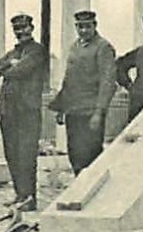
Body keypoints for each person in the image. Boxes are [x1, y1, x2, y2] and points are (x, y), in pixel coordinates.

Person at [0, 12, 49, 211]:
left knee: (26, 154)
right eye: (17, 29)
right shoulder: (14, 52)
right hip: (9, 110)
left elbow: (21, 71)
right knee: (12, 153)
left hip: (27, 110)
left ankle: (29, 197)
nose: (20, 32)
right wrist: (10, 64)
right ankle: (19, 194)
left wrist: (9, 67)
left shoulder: (38, 50)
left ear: (31, 28)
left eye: (24, 28)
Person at [50, 9, 117, 174]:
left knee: (91, 154)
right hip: (73, 110)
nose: (83, 31)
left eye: (87, 26)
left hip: (90, 111)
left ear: (95, 26)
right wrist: (61, 107)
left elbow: (107, 82)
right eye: (80, 27)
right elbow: (69, 79)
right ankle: (78, 188)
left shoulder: (103, 47)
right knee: (74, 152)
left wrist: (99, 113)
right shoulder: (75, 46)